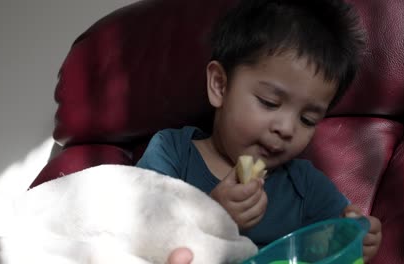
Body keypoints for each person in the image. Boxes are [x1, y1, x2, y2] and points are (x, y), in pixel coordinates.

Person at [136, 0, 382, 262]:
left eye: (307, 119)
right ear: (220, 85)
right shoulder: (172, 152)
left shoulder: (305, 186)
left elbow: (340, 236)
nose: (287, 129)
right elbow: (136, 227)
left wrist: (358, 237)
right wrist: (211, 214)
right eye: (269, 102)